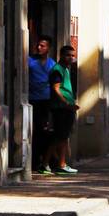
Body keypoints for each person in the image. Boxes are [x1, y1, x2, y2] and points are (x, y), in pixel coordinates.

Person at [48, 45, 78, 175]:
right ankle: (52, 163)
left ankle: (61, 163)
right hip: (61, 108)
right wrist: (66, 103)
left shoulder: (66, 69)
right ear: (61, 55)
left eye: (72, 55)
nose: (71, 58)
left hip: (67, 108)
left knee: (63, 137)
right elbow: (56, 89)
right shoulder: (57, 69)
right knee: (59, 137)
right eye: (68, 55)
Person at [28, 34, 56, 174]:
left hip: (45, 101)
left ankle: (43, 160)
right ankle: (33, 161)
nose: (39, 47)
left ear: (48, 48)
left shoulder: (52, 64)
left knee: (43, 131)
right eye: (38, 45)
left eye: (42, 46)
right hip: (31, 100)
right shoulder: (30, 61)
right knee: (33, 131)